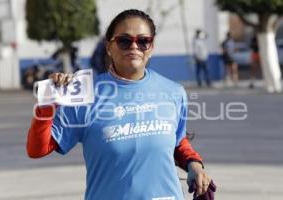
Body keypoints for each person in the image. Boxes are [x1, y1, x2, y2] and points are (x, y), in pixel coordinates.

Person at [27, 9, 214, 200]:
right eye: (124, 41)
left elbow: (176, 140)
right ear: (109, 47)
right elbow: (37, 149)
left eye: (143, 41)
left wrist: (195, 165)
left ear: (151, 47)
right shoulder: (85, 95)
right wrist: (48, 105)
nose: (134, 47)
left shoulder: (173, 91)